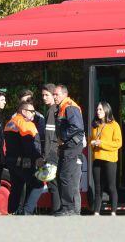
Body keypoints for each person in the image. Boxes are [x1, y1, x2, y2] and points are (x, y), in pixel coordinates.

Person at [4, 102, 44, 215]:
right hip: (24, 162)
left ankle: (12, 212)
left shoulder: (10, 123)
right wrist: (38, 158)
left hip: (12, 161)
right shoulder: (26, 123)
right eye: (32, 111)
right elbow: (30, 144)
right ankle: (27, 213)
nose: (33, 114)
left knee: (16, 188)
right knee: (38, 185)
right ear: (24, 111)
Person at [53, 84, 85, 216]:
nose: (54, 97)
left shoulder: (69, 106)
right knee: (61, 175)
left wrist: (63, 138)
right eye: (54, 94)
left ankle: (69, 208)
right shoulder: (62, 107)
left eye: (57, 94)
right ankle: (65, 207)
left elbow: (77, 126)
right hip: (67, 147)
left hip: (71, 147)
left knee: (65, 176)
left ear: (65, 94)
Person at [90, 101, 122, 216]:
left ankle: (113, 211)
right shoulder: (95, 125)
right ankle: (97, 212)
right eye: (97, 109)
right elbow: (91, 140)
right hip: (97, 158)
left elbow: (118, 143)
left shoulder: (114, 125)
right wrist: (92, 143)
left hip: (110, 159)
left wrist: (101, 143)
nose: (98, 112)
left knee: (111, 186)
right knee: (98, 187)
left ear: (106, 111)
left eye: (100, 110)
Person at [40, 83, 61, 213]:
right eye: (42, 95)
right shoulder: (57, 109)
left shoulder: (51, 111)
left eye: (47, 95)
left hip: (52, 153)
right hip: (57, 151)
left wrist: (45, 156)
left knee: (53, 185)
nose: (44, 98)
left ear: (54, 96)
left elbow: (48, 136)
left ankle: (56, 211)